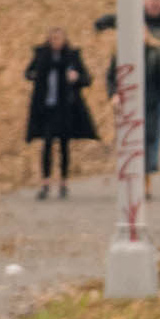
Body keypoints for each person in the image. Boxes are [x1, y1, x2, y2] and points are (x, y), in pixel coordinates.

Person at [22, 27, 96, 199]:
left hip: (66, 108)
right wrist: (36, 75)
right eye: (53, 39)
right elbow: (28, 73)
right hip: (47, 106)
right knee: (47, 144)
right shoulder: (42, 55)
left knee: (64, 145)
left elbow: (87, 79)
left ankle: (63, 182)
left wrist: (76, 77)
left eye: (59, 39)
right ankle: (46, 182)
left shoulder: (71, 57)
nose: (56, 42)